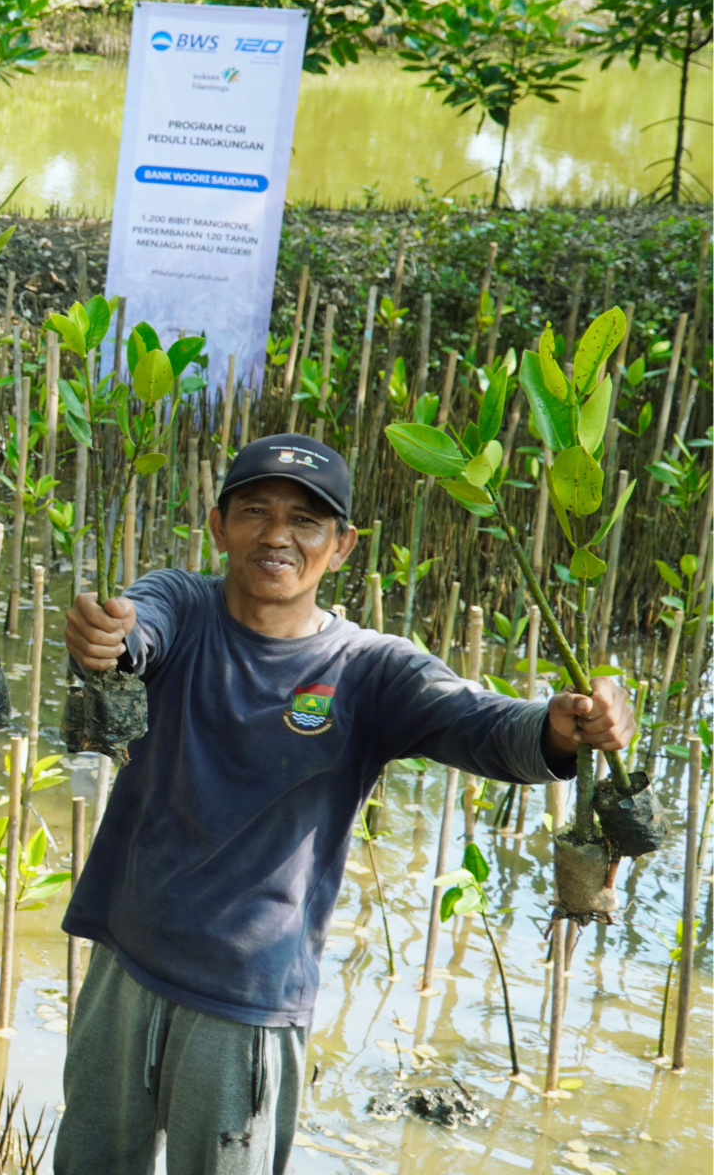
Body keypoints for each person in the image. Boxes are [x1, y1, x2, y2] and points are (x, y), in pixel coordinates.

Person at [55, 432, 633, 1175]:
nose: (276, 535)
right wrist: (105, 640)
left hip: (247, 1001)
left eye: (306, 520)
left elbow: (486, 725)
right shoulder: (181, 603)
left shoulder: (369, 670)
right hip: (123, 966)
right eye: (255, 510)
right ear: (218, 524)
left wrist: (558, 727)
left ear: (343, 545)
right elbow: (134, 630)